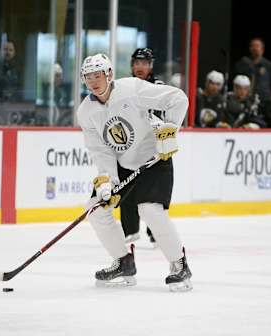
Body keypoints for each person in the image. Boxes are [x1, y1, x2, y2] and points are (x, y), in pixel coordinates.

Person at [77, 53, 192, 291]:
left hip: (153, 158)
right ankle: (124, 262)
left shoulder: (132, 88)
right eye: (88, 77)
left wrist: (170, 130)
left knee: (149, 209)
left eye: (98, 75)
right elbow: (100, 150)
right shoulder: (86, 111)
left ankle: (179, 265)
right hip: (122, 162)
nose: (93, 81)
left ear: (109, 74)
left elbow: (178, 99)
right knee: (96, 208)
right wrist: (107, 180)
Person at [121, 48, 163, 245]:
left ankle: (157, 233)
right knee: (127, 188)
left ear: (151, 66)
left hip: (153, 149)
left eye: (144, 63)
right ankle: (129, 230)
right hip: (130, 147)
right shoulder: (124, 87)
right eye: (137, 63)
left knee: (153, 194)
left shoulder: (159, 87)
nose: (140, 66)